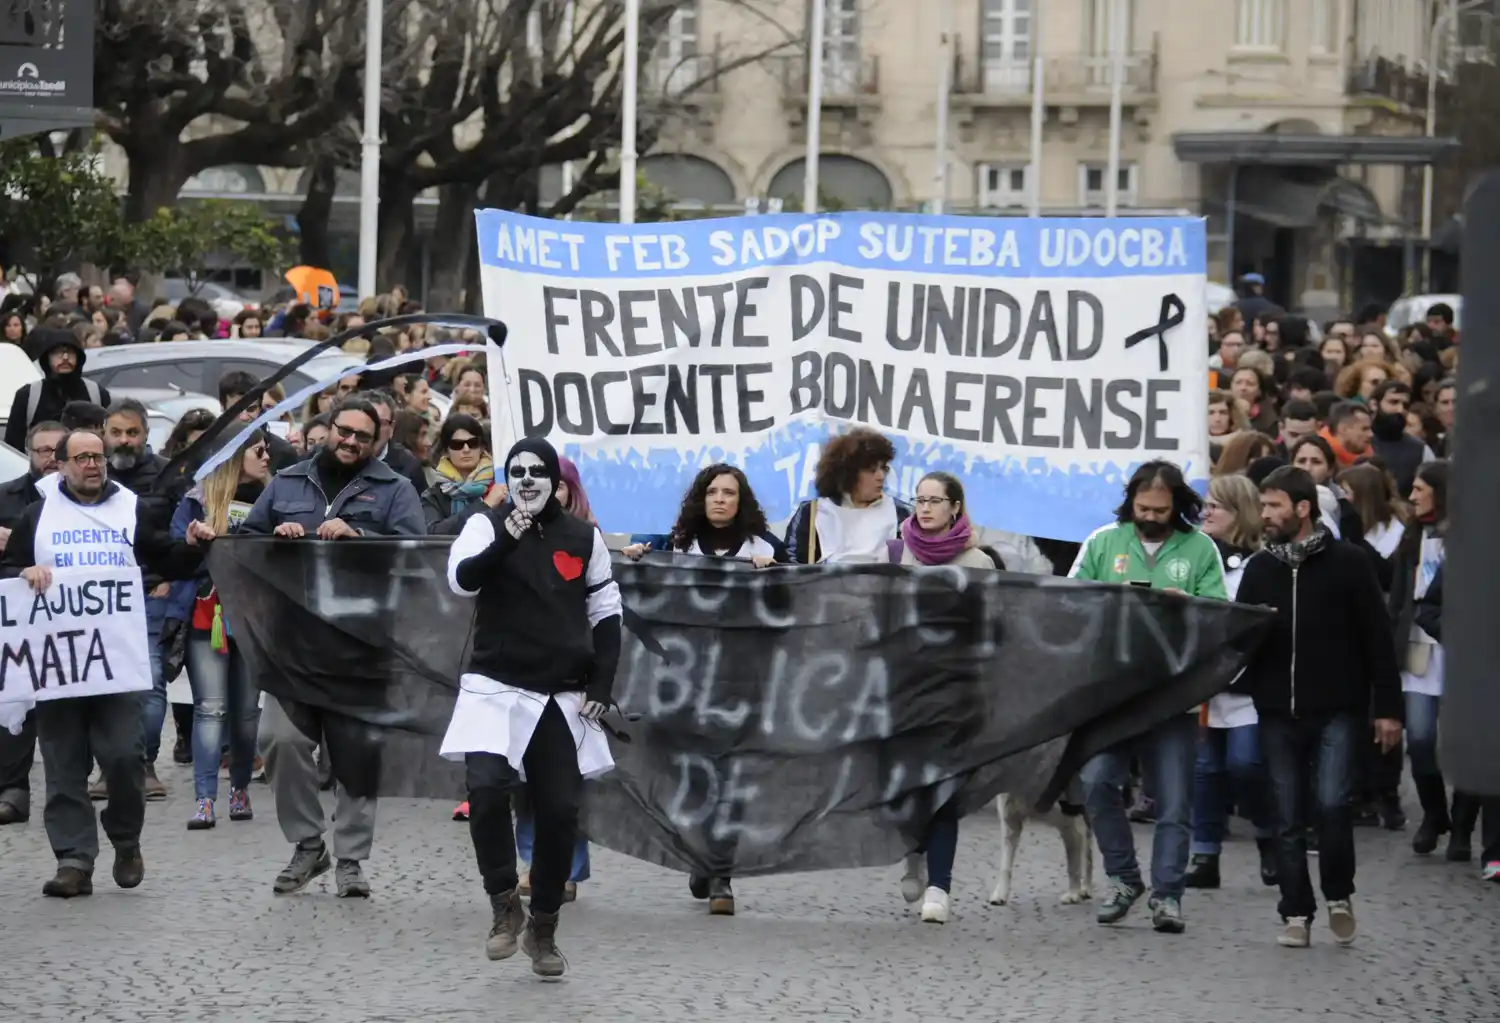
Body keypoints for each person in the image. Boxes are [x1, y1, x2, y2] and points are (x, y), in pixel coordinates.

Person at [442, 437, 623, 977]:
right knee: (486, 790)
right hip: (495, 687)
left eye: (536, 471)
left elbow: (606, 610)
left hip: (558, 692)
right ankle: (504, 905)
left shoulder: (584, 537)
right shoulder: (485, 524)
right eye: (516, 471)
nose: (525, 480)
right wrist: (507, 538)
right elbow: (462, 580)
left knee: (560, 810)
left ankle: (544, 926)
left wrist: (602, 682)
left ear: (555, 481)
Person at [0, 429, 207, 897]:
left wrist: (194, 546)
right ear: (62, 465)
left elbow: (167, 558)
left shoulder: (131, 509)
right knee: (63, 765)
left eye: (98, 457)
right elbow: (10, 571)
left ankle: (125, 837)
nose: (93, 465)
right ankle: (73, 860)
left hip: (114, 663)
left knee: (123, 758)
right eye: (83, 458)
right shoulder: (39, 515)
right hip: (58, 668)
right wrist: (24, 571)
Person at [236, 396, 426, 897]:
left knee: (356, 757)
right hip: (292, 645)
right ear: (329, 428)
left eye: (363, 436)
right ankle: (307, 845)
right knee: (279, 741)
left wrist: (359, 535)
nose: (350, 441)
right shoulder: (287, 481)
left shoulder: (396, 489)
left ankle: (351, 860)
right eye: (345, 431)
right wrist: (276, 537)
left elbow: (416, 558)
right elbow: (248, 543)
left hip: (361, 646)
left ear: (377, 441)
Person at [1234, 466, 1403, 948]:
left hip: (1338, 709)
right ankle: (1295, 911)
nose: (1265, 515)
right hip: (1276, 712)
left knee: (1331, 804)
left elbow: (1378, 639)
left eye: (1274, 506)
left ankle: (1338, 894)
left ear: (1302, 508)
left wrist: (1388, 709)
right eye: (1263, 505)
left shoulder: (1350, 563)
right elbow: (1238, 639)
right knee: (1287, 816)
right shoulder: (1259, 569)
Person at [623, 462, 788, 914]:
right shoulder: (677, 545)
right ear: (701, 498)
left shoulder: (764, 546)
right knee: (693, 773)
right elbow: (645, 591)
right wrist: (638, 558)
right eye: (713, 491)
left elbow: (792, 603)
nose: (720, 499)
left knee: (729, 772)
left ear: (741, 501)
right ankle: (702, 853)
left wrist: (775, 574)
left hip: (741, 679)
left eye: (729, 492)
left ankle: (720, 874)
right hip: (685, 680)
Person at [1070, 461, 1228, 934]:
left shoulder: (1201, 548)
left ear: (1177, 506)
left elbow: (1222, 617)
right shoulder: (1102, 541)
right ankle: (1123, 879)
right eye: (1143, 508)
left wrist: (1188, 607)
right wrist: (1108, 598)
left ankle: (1168, 896)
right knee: (1097, 782)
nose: (1151, 517)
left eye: (1160, 510)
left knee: (1174, 801)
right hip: (1112, 695)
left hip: (1173, 695)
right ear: (1131, 503)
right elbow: (1067, 604)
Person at [886, 470, 1005, 924]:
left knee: (944, 789)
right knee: (906, 790)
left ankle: (940, 886)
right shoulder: (896, 553)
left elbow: (992, 628)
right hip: (903, 690)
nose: (925, 508)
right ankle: (912, 853)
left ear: (955, 507)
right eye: (919, 499)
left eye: (935, 500)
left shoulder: (978, 562)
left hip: (956, 691)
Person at [170, 427, 271, 830]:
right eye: (258, 450)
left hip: (253, 618)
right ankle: (204, 799)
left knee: (245, 714)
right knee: (210, 709)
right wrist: (193, 542)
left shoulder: (274, 497)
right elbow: (172, 556)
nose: (267, 457)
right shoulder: (196, 501)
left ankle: (239, 788)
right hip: (207, 616)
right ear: (233, 455)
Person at [1185, 474, 1277, 891]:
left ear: (1239, 512)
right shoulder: (1198, 554)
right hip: (1207, 682)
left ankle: (1269, 838)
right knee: (1206, 770)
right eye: (1205, 505)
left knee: (1246, 764)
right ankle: (1205, 855)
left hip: (1249, 684)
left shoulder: (1263, 561)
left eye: (1215, 506)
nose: (1206, 512)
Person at [1386, 462, 1472, 860]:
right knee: (1419, 739)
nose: (1413, 496)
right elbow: (1399, 597)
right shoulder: (1411, 535)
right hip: (1419, 646)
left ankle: (1463, 827)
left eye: (1421, 489)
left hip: (1462, 650)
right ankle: (1435, 814)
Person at [0, 420, 65, 826]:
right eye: (43, 451)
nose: (51, 459)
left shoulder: (85, 500)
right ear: (29, 454)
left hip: (73, 623)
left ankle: (69, 788)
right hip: (19, 623)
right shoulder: (5, 496)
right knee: (16, 702)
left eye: (58, 451)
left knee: (66, 710)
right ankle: (13, 789)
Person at [784, 428, 911, 563]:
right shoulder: (812, 513)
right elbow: (792, 568)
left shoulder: (899, 513)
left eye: (883, 468)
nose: (881, 476)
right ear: (848, 473)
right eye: (871, 469)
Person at [4, 327, 109, 451]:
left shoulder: (96, 393)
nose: (65, 357)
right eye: (57, 352)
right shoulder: (29, 396)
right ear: (46, 358)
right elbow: (13, 445)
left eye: (70, 352)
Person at [422, 415, 504, 535]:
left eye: (473, 443)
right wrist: (485, 505)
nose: (466, 449)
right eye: (457, 445)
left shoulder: (500, 487)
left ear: (482, 447)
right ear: (446, 451)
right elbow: (434, 533)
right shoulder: (434, 496)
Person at [218, 371, 299, 472]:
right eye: (236, 409)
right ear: (222, 406)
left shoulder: (282, 452)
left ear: (260, 408)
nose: (244, 417)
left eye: (251, 409)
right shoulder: (207, 448)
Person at [1367, 382, 1435, 496]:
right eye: (1393, 402)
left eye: (1405, 405)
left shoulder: (1421, 450)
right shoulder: (1359, 442)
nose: (1400, 410)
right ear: (1374, 404)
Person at [358, 390, 428, 496]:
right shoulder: (340, 454)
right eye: (367, 421)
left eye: (381, 423)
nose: (373, 429)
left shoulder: (409, 467)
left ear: (392, 428)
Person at [1319, 401, 1374, 469]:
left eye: (1370, 429)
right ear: (1344, 429)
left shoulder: (1368, 456)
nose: (1371, 434)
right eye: (1364, 429)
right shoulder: (1317, 458)